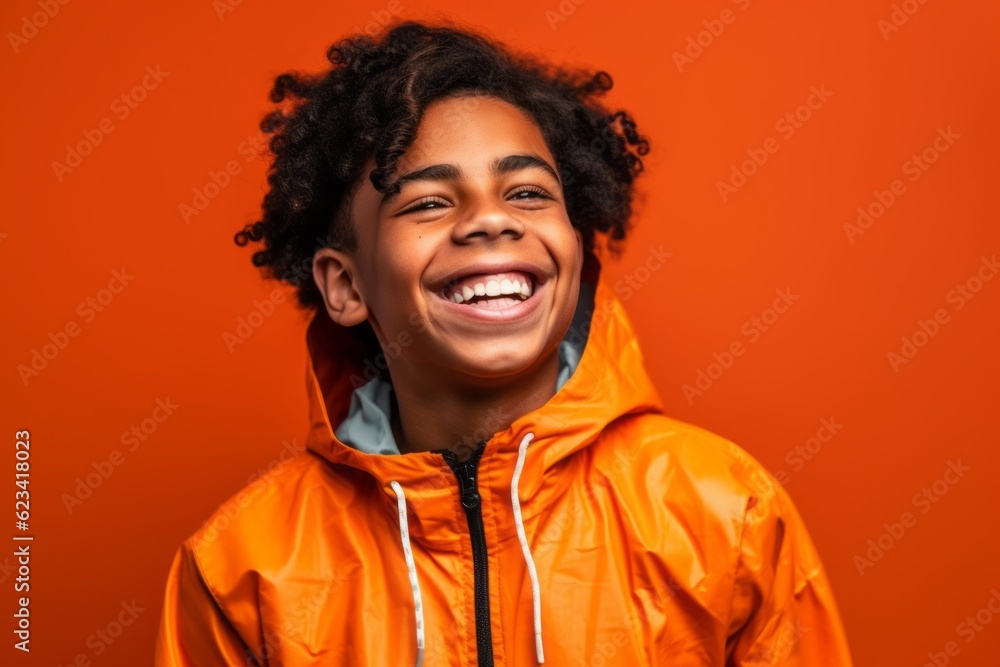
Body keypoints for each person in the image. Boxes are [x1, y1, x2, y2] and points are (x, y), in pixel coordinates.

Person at [153, 18, 853, 666]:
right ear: (346, 284)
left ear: (576, 248)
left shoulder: (726, 511)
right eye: (428, 201)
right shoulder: (243, 567)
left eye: (527, 193)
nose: (491, 221)